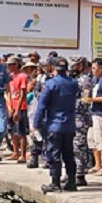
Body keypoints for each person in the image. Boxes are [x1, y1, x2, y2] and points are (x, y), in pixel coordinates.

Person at [35, 57, 79, 193]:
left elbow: (42, 106)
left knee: (54, 154)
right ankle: (71, 182)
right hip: (69, 124)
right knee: (68, 154)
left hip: (54, 124)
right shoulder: (73, 83)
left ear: (54, 68)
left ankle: (55, 182)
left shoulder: (51, 84)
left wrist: (36, 124)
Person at [70, 57, 93, 188]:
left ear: (80, 65)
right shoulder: (75, 78)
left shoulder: (85, 80)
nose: (72, 67)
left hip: (80, 117)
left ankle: (80, 174)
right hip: (73, 116)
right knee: (72, 146)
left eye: (74, 65)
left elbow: (86, 100)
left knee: (79, 146)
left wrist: (70, 103)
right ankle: (73, 172)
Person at [6, 56, 29, 163]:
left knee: (21, 131)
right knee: (12, 130)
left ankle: (23, 154)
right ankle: (15, 152)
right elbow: (8, 91)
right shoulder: (10, 76)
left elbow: (23, 94)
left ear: (16, 65)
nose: (9, 67)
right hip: (11, 105)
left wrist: (17, 110)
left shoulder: (22, 76)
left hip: (20, 107)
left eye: (10, 65)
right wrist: (10, 107)